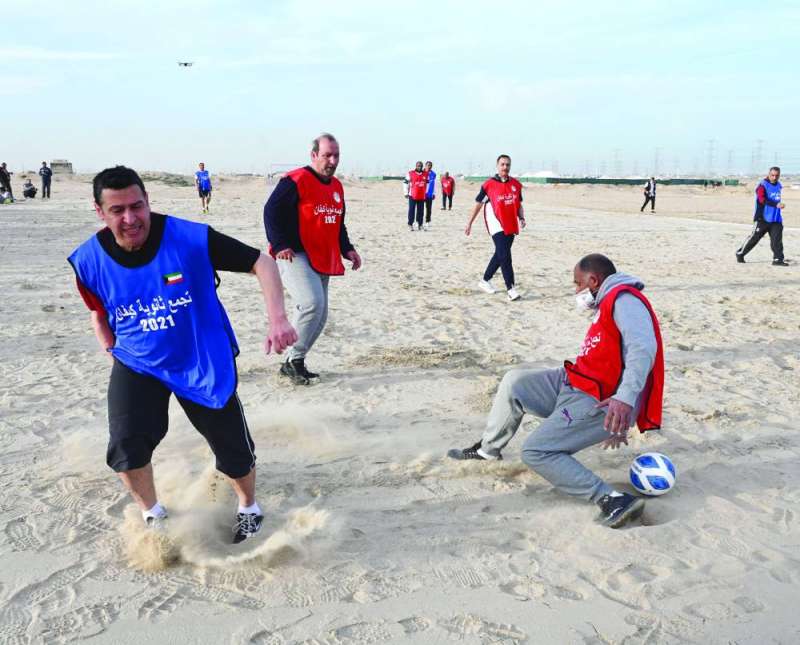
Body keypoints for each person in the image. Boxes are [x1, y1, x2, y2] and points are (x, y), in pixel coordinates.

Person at [68, 166, 297, 544]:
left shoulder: (190, 238)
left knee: (233, 448)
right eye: (117, 210)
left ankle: (248, 507)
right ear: (100, 212)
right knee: (126, 443)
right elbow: (98, 311)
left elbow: (263, 262)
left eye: (137, 206)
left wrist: (278, 319)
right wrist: (112, 352)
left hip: (199, 356)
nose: (130, 218)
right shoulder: (88, 261)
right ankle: (154, 515)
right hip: (138, 360)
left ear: (148, 202)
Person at [448, 253, 664, 528]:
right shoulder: (607, 300)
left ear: (594, 280)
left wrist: (624, 400)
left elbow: (643, 350)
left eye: (578, 284)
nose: (576, 291)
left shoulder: (624, 300)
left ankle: (611, 499)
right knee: (515, 381)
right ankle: (488, 450)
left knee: (536, 451)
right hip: (574, 381)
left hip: (599, 399)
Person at [264, 133, 362, 385]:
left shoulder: (337, 187)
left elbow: (338, 221)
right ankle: (291, 360)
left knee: (320, 314)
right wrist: (280, 244)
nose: (332, 160)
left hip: (323, 254)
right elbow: (271, 211)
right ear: (314, 155)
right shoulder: (296, 180)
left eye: (336, 155)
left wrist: (347, 249)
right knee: (311, 304)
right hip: (294, 254)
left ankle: (296, 361)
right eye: (327, 155)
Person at [465, 154, 525, 301]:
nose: (505, 167)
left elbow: (519, 204)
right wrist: (470, 222)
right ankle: (511, 289)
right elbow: (479, 204)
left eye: (508, 165)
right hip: (496, 223)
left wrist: (522, 217)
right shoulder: (488, 185)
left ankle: (485, 280)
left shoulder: (516, 185)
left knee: (500, 254)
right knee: (505, 256)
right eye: (502, 164)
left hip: (511, 223)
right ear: (497, 166)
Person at [736, 166, 788, 266]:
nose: (774, 177)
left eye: (776, 175)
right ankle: (740, 253)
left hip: (776, 219)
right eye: (772, 175)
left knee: (776, 241)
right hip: (762, 218)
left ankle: (778, 259)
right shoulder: (762, 185)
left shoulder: (779, 185)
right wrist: (776, 205)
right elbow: (761, 199)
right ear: (768, 174)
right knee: (754, 238)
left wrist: (778, 206)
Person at [404, 161, 428, 231]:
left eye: (420, 166)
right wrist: (406, 193)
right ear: (416, 166)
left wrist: (426, 193)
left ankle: (420, 225)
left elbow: (428, 184)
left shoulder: (425, 174)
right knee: (411, 210)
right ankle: (410, 224)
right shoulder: (410, 173)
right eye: (418, 166)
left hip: (421, 196)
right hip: (412, 196)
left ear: (422, 166)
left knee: (421, 211)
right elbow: (405, 183)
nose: (419, 167)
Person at [423, 161, 436, 230]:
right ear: (425, 165)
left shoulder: (433, 174)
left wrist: (434, 193)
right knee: (420, 208)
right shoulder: (421, 172)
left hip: (429, 194)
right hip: (421, 193)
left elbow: (434, 184)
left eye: (430, 165)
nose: (429, 166)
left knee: (429, 208)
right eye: (428, 165)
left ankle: (427, 221)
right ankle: (420, 221)